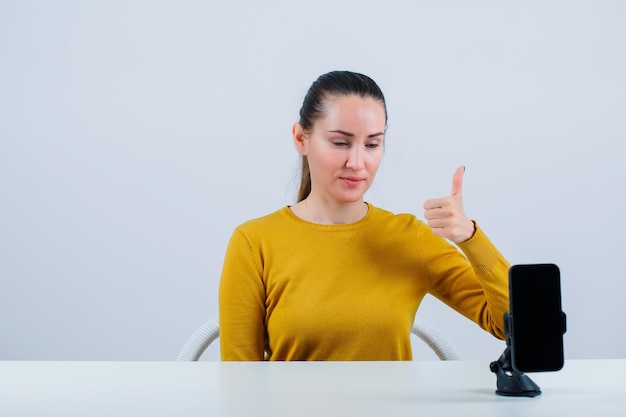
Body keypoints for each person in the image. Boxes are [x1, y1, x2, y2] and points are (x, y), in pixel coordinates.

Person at [218, 70, 510, 361]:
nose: (357, 162)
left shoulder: (409, 237)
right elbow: (240, 381)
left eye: (372, 144)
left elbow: (512, 325)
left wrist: (471, 237)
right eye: (340, 143)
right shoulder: (254, 242)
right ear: (300, 138)